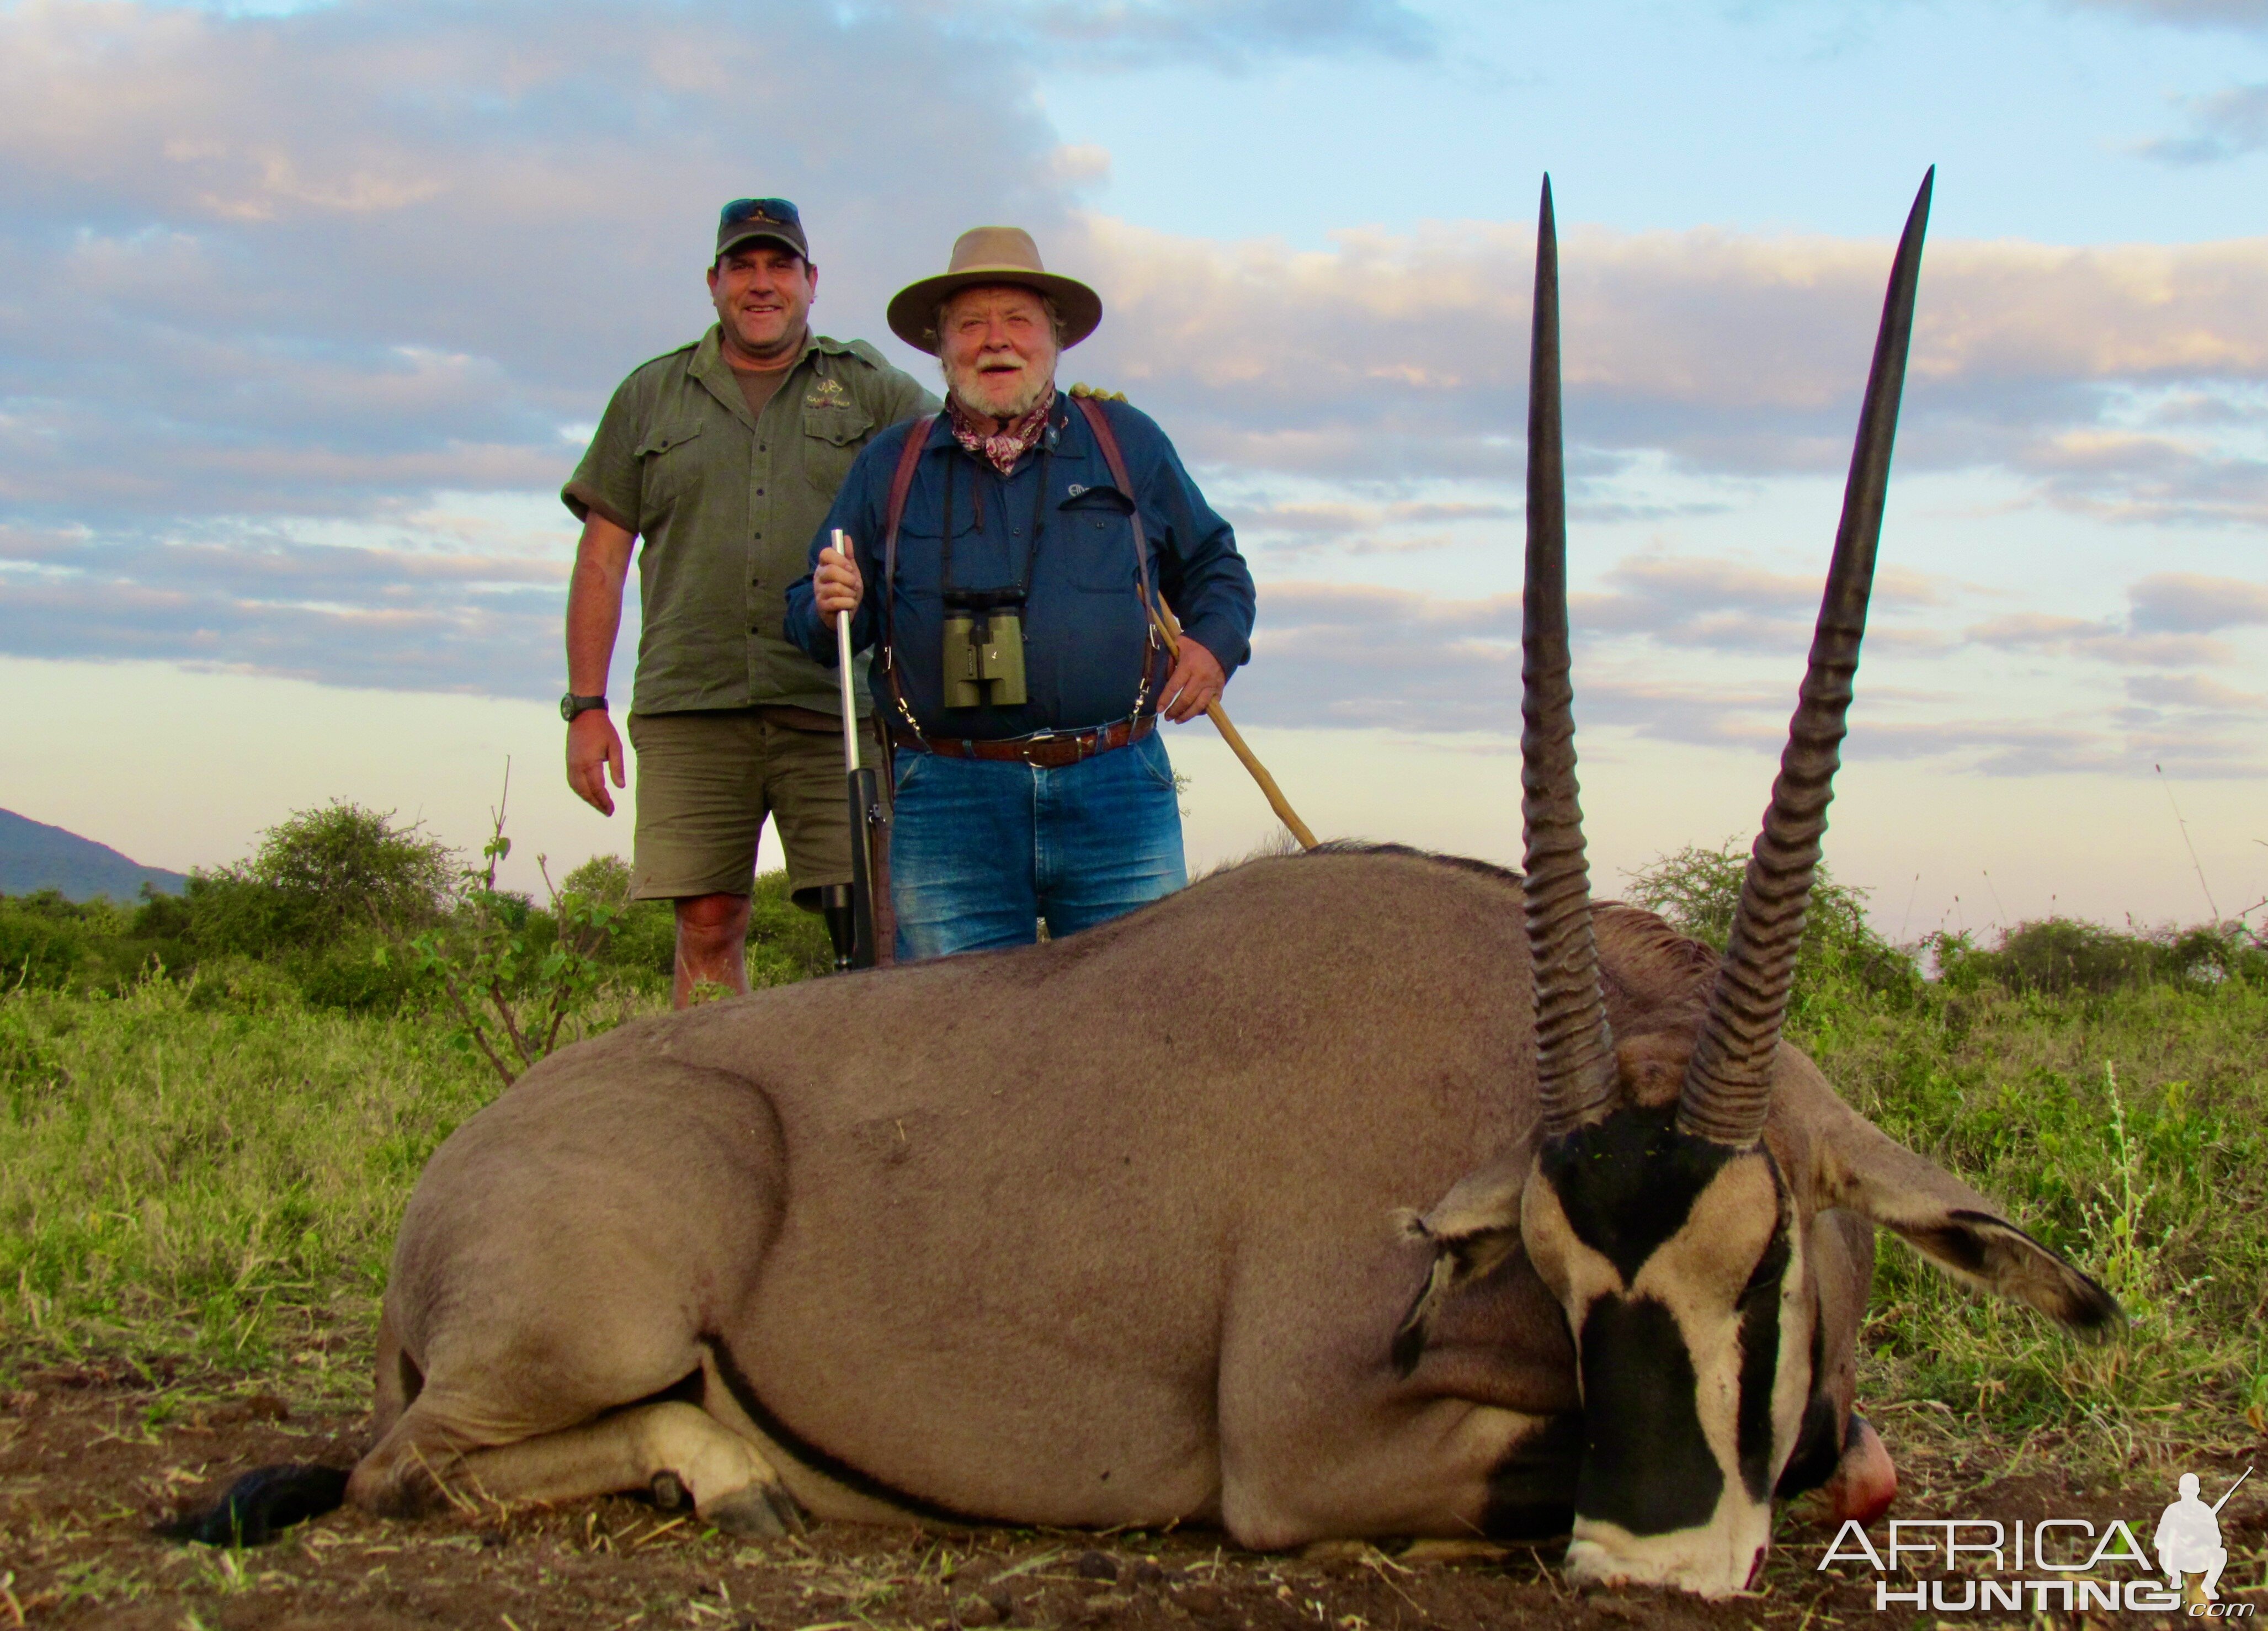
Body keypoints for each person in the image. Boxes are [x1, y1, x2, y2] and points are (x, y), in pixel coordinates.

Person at [784, 226, 1256, 960]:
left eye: (1018, 321)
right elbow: (817, 621)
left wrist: (1214, 645)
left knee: (1142, 1029)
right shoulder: (889, 465)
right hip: (945, 800)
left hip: (1117, 792)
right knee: (947, 1041)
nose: (995, 341)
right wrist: (825, 602)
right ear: (940, 346)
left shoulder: (1127, 441)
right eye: (971, 324)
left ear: (1054, 337)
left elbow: (1216, 567)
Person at [562, 198, 936, 1005]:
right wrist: (584, 706)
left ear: (811, 281)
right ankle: (711, 1104)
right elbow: (601, 558)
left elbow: (962, 459)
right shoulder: (649, 394)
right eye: (743, 266)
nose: (761, 284)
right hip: (691, 699)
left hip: (832, 699)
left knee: (866, 927)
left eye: (779, 267)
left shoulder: (872, 390)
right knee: (706, 919)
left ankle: (867, 1107)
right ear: (713, 282)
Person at [2155, 1473, 2229, 1599]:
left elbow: (2217, 1540)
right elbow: (2160, 1539)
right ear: (2180, 1491)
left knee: (2221, 1554)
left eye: (2192, 1490)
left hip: (2199, 1556)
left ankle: (2208, 1586)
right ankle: (2176, 1581)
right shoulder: (2173, 1510)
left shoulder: (2205, 1511)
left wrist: (2200, 1537)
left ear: (2198, 1491)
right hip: (2177, 1556)